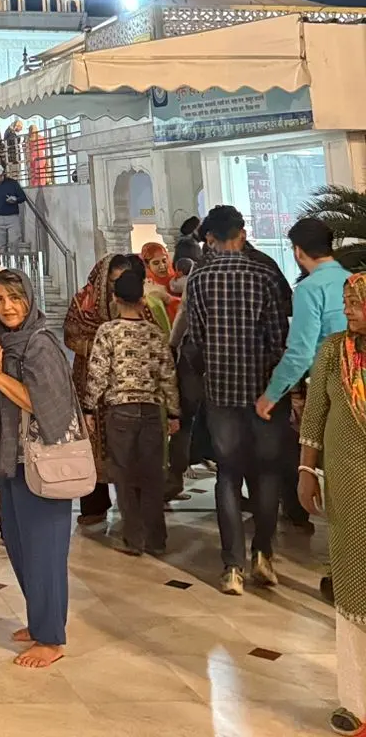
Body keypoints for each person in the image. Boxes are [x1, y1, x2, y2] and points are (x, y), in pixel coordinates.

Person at [186, 203, 291, 595]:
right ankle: (263, 554)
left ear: (211, 238)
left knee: (228, 474)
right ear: (242, 233)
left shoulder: (199, 279)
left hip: (220, 393)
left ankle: (233, 567)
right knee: (266, 473)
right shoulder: (264, 274)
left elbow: (195, 339)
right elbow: (278, 338)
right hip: (264, 392)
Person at [0, 269, 77, 668]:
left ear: (30, 299)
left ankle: (51, 638)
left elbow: (44, 403)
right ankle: (40, 623)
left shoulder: (40, 345)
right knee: (20, 545)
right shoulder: (1, 343)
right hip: (10, 458)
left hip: (41, 459)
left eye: (14, 298)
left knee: (45, 551)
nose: (7, 307)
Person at [299, 273, 366, 737]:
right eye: (346, 302)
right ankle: (357, 704)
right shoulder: (331, 352)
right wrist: (307, 469)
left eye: (357, 302)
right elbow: (314, 414)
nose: (349, 310)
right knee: (354, 582)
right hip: (347, 483)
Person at [83, 258, 180, 556]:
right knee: (152, 475)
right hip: (151, 412)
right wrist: (174, 413)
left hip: (119, 411)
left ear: (114, 298)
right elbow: (167, 374)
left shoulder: (108, 332)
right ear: (142, 299)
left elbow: (98, 373)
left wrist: (89, 408)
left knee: (124, 476)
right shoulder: (155, 333)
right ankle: (157, 539)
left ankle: (134, 539)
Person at [63, 252, 143, 527]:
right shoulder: (82, 302)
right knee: (92, 443)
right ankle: (95, 504)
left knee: (127, 444)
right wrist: (99, 347)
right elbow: (70, 334)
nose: (116, 287)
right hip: (90, 384)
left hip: (125, 384)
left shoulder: (135, 302)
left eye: (122, 281)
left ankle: (133, 506)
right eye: (113, 280)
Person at [257, 216, 349, 418]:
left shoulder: (309, 289)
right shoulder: (353, 279)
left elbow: (301, 352)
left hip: (329, 390)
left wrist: (271, 395)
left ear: (297, 251)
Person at [0, 164, 28, 255]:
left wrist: (15, 199)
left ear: (3, 175)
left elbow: (23, 197)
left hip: (12, 217)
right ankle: (3, 265)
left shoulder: (13, 183)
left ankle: (14, 264)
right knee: (0, 245)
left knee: (14, 243)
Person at [139, 241, 182, 324]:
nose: (162, 266)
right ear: (147, 265)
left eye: (164, 261)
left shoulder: (178, 277)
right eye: (156, 263)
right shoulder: (147, 286)